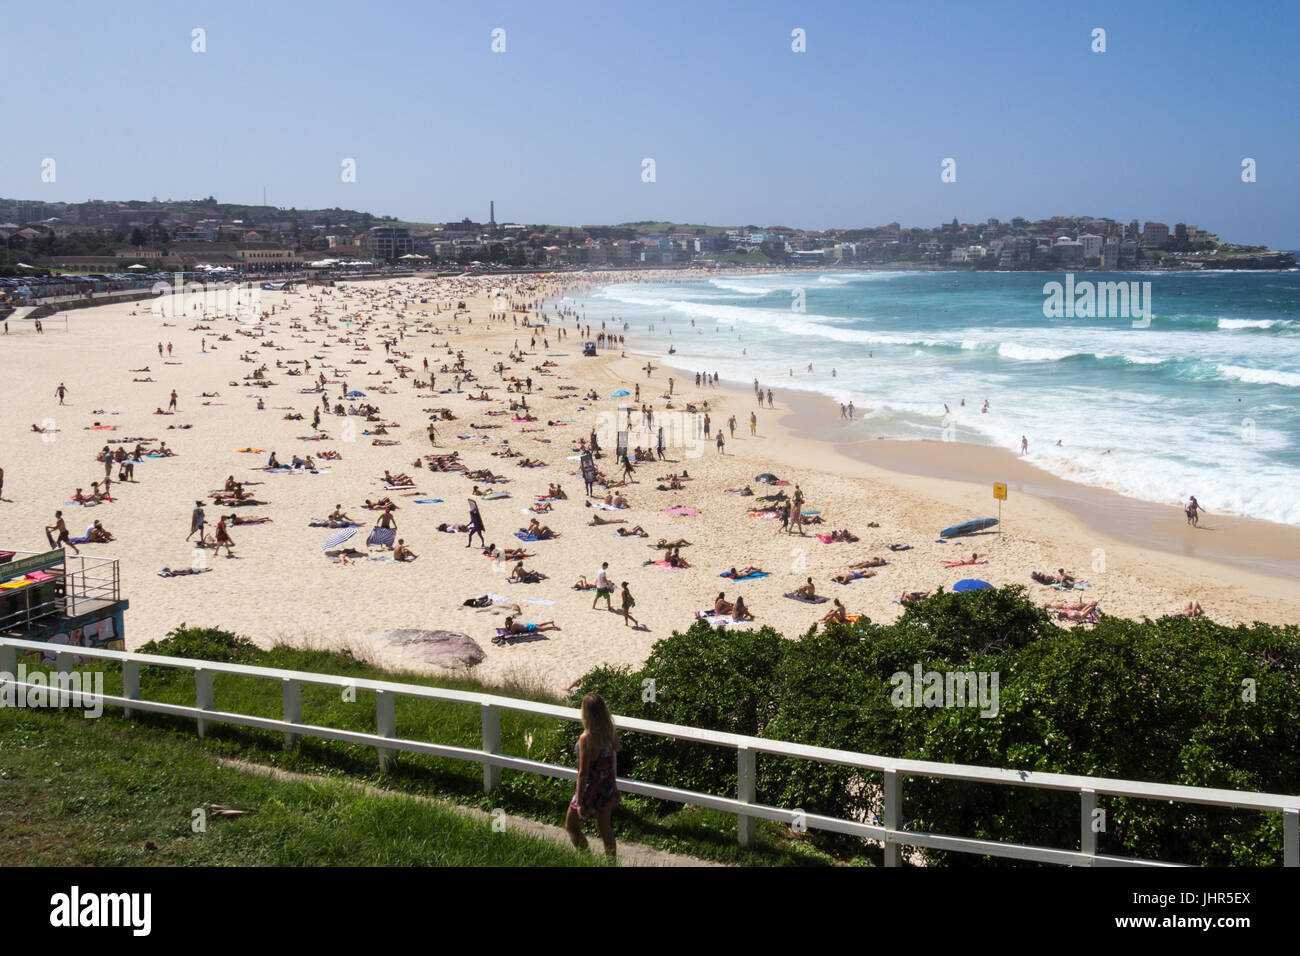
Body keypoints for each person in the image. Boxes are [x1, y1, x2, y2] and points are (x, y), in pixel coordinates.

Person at [564, 693, 620, 857]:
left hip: (590, 788)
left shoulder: (586, 738)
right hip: (607, 786)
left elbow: (583, 772)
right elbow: (617, 747)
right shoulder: (609, 731)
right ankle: (611, 864)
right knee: (605, 830)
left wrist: (579, 801)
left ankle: (587, 859)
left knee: (571, 826)